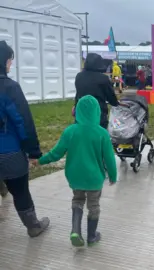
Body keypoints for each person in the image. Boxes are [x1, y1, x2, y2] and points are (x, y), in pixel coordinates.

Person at [38, 95, 117, 247]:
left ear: (77, 111)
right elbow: (109, 159)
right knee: (93, 206)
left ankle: (75, 231)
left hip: (75, 177)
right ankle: (92, 237)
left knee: (78, 200)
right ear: (97, 113)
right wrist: (113, 176)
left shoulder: (70, 131)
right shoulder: (102, 133)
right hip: (94, 178)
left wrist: (40, 160)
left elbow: (56, 153)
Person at [0, 40, 49, 237]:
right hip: (9, 151)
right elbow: (23, 122)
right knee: (20, 191)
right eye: (10, 60)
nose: (11, 64)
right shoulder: (9, 88)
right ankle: (33, 226)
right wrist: (33, 152)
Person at [74, 53, 120, 129]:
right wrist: (116, 103)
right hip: (98, 113)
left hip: (81, 111)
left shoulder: (79, 76)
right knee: (99, 134)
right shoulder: (103, 78)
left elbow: (78, 93)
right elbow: (111, 97)